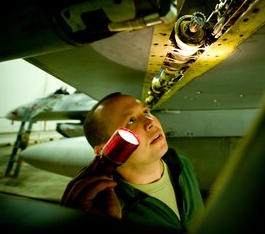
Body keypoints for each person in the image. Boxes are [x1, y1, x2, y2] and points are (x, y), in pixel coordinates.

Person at [60, 92, 204, 232]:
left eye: (146, 111)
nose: (150, 122)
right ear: (106, 149)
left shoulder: (182, 165)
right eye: (131, 120)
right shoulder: (108, 209)